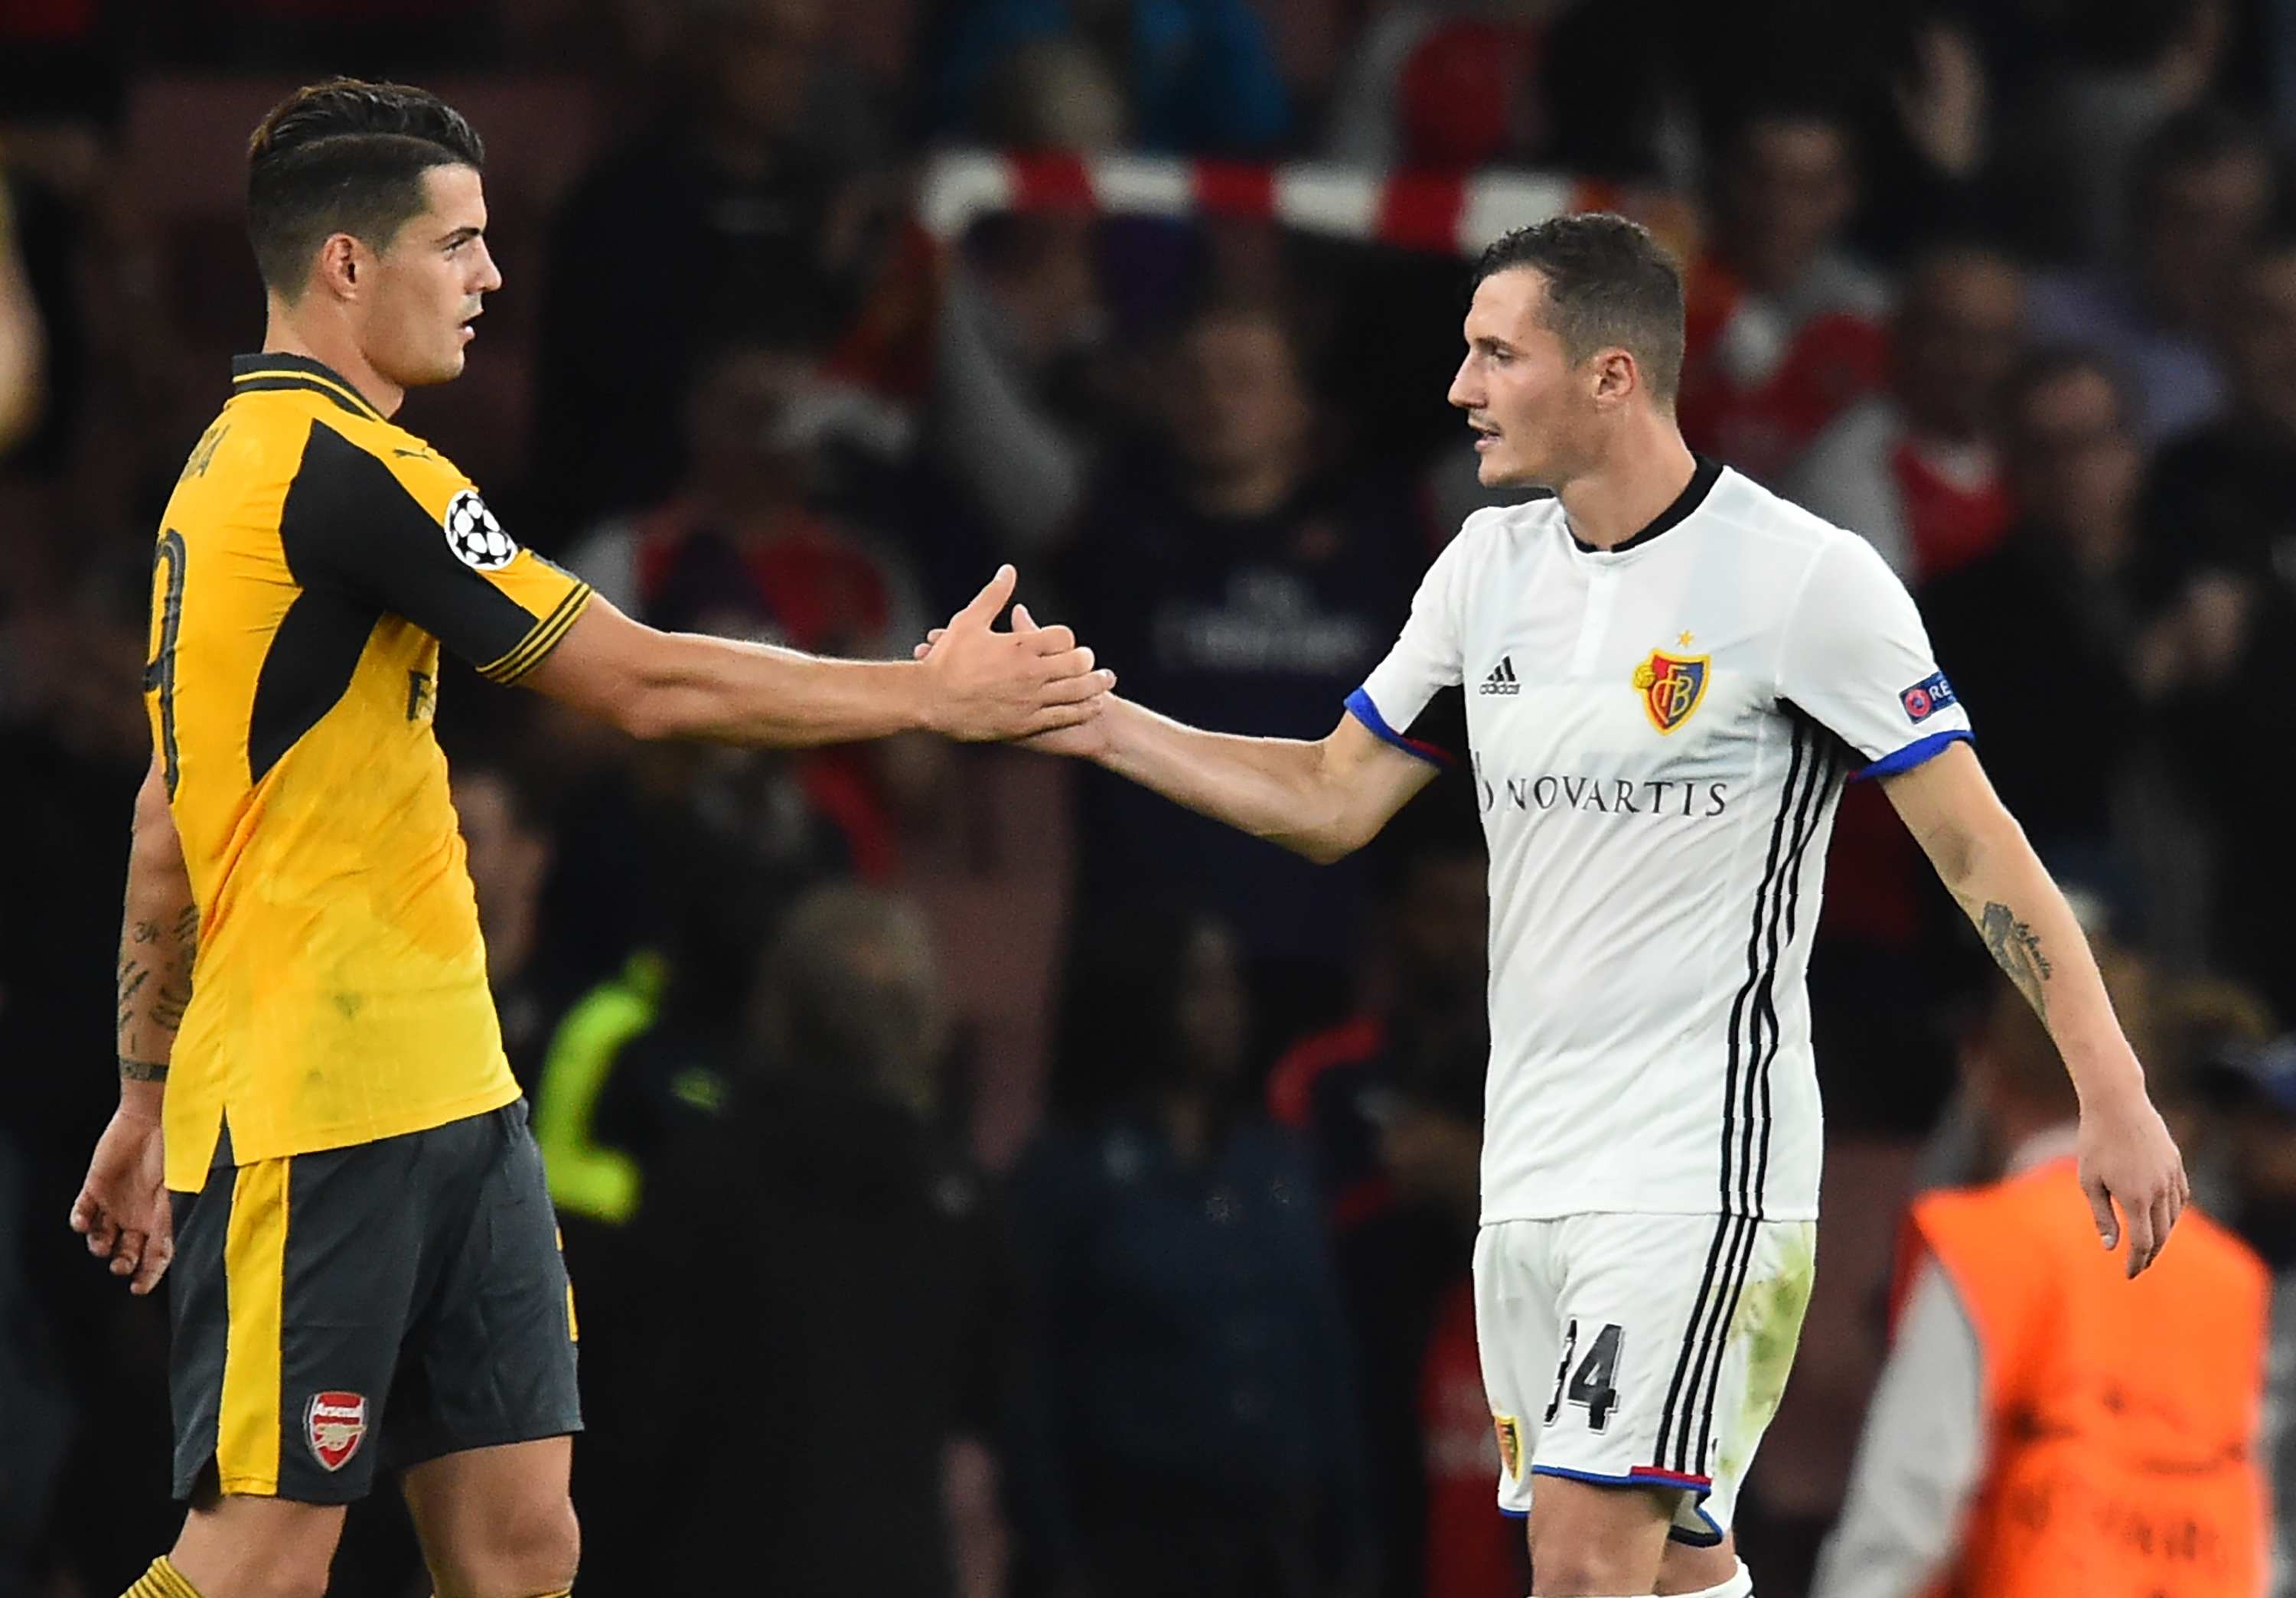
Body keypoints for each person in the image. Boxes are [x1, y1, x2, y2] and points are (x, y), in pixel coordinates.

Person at [940, 211, 2190, 1598]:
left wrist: (2112, 1088)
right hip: (1529, 1161)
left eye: (1497, 354)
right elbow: (1331, 796)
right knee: (1666, 1566)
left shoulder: (1802, 581)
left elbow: (1980, 849)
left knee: (1585, 1565)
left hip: (1696, 1162)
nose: (1461, 388)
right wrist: (1093, 720)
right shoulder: (1488, 572)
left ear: (1610, 375)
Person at [67, 78, 1107, 1598]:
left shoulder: (232, 485)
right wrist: (928, 696)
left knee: (523, 1541)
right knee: (263, 1562)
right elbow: (639, 681)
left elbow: (172, 816)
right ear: (347, 266)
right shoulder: (336, 472)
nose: (492, 280)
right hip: (317, 1102)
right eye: (461, 245)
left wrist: (144, 1095)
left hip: (453, 1093)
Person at [1810, 952, 2267, 1598]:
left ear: (1986, 1071)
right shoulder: (2233, 1279)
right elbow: (2254, 1539)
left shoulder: (1988, 1246)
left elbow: (1904, 1525)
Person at [1785, 246, 2024, 586]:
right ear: (1904, 336)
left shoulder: (2027, 444)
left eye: (1991, 341)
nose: (1969, 363)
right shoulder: (1851, 464)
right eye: (1947, 336)